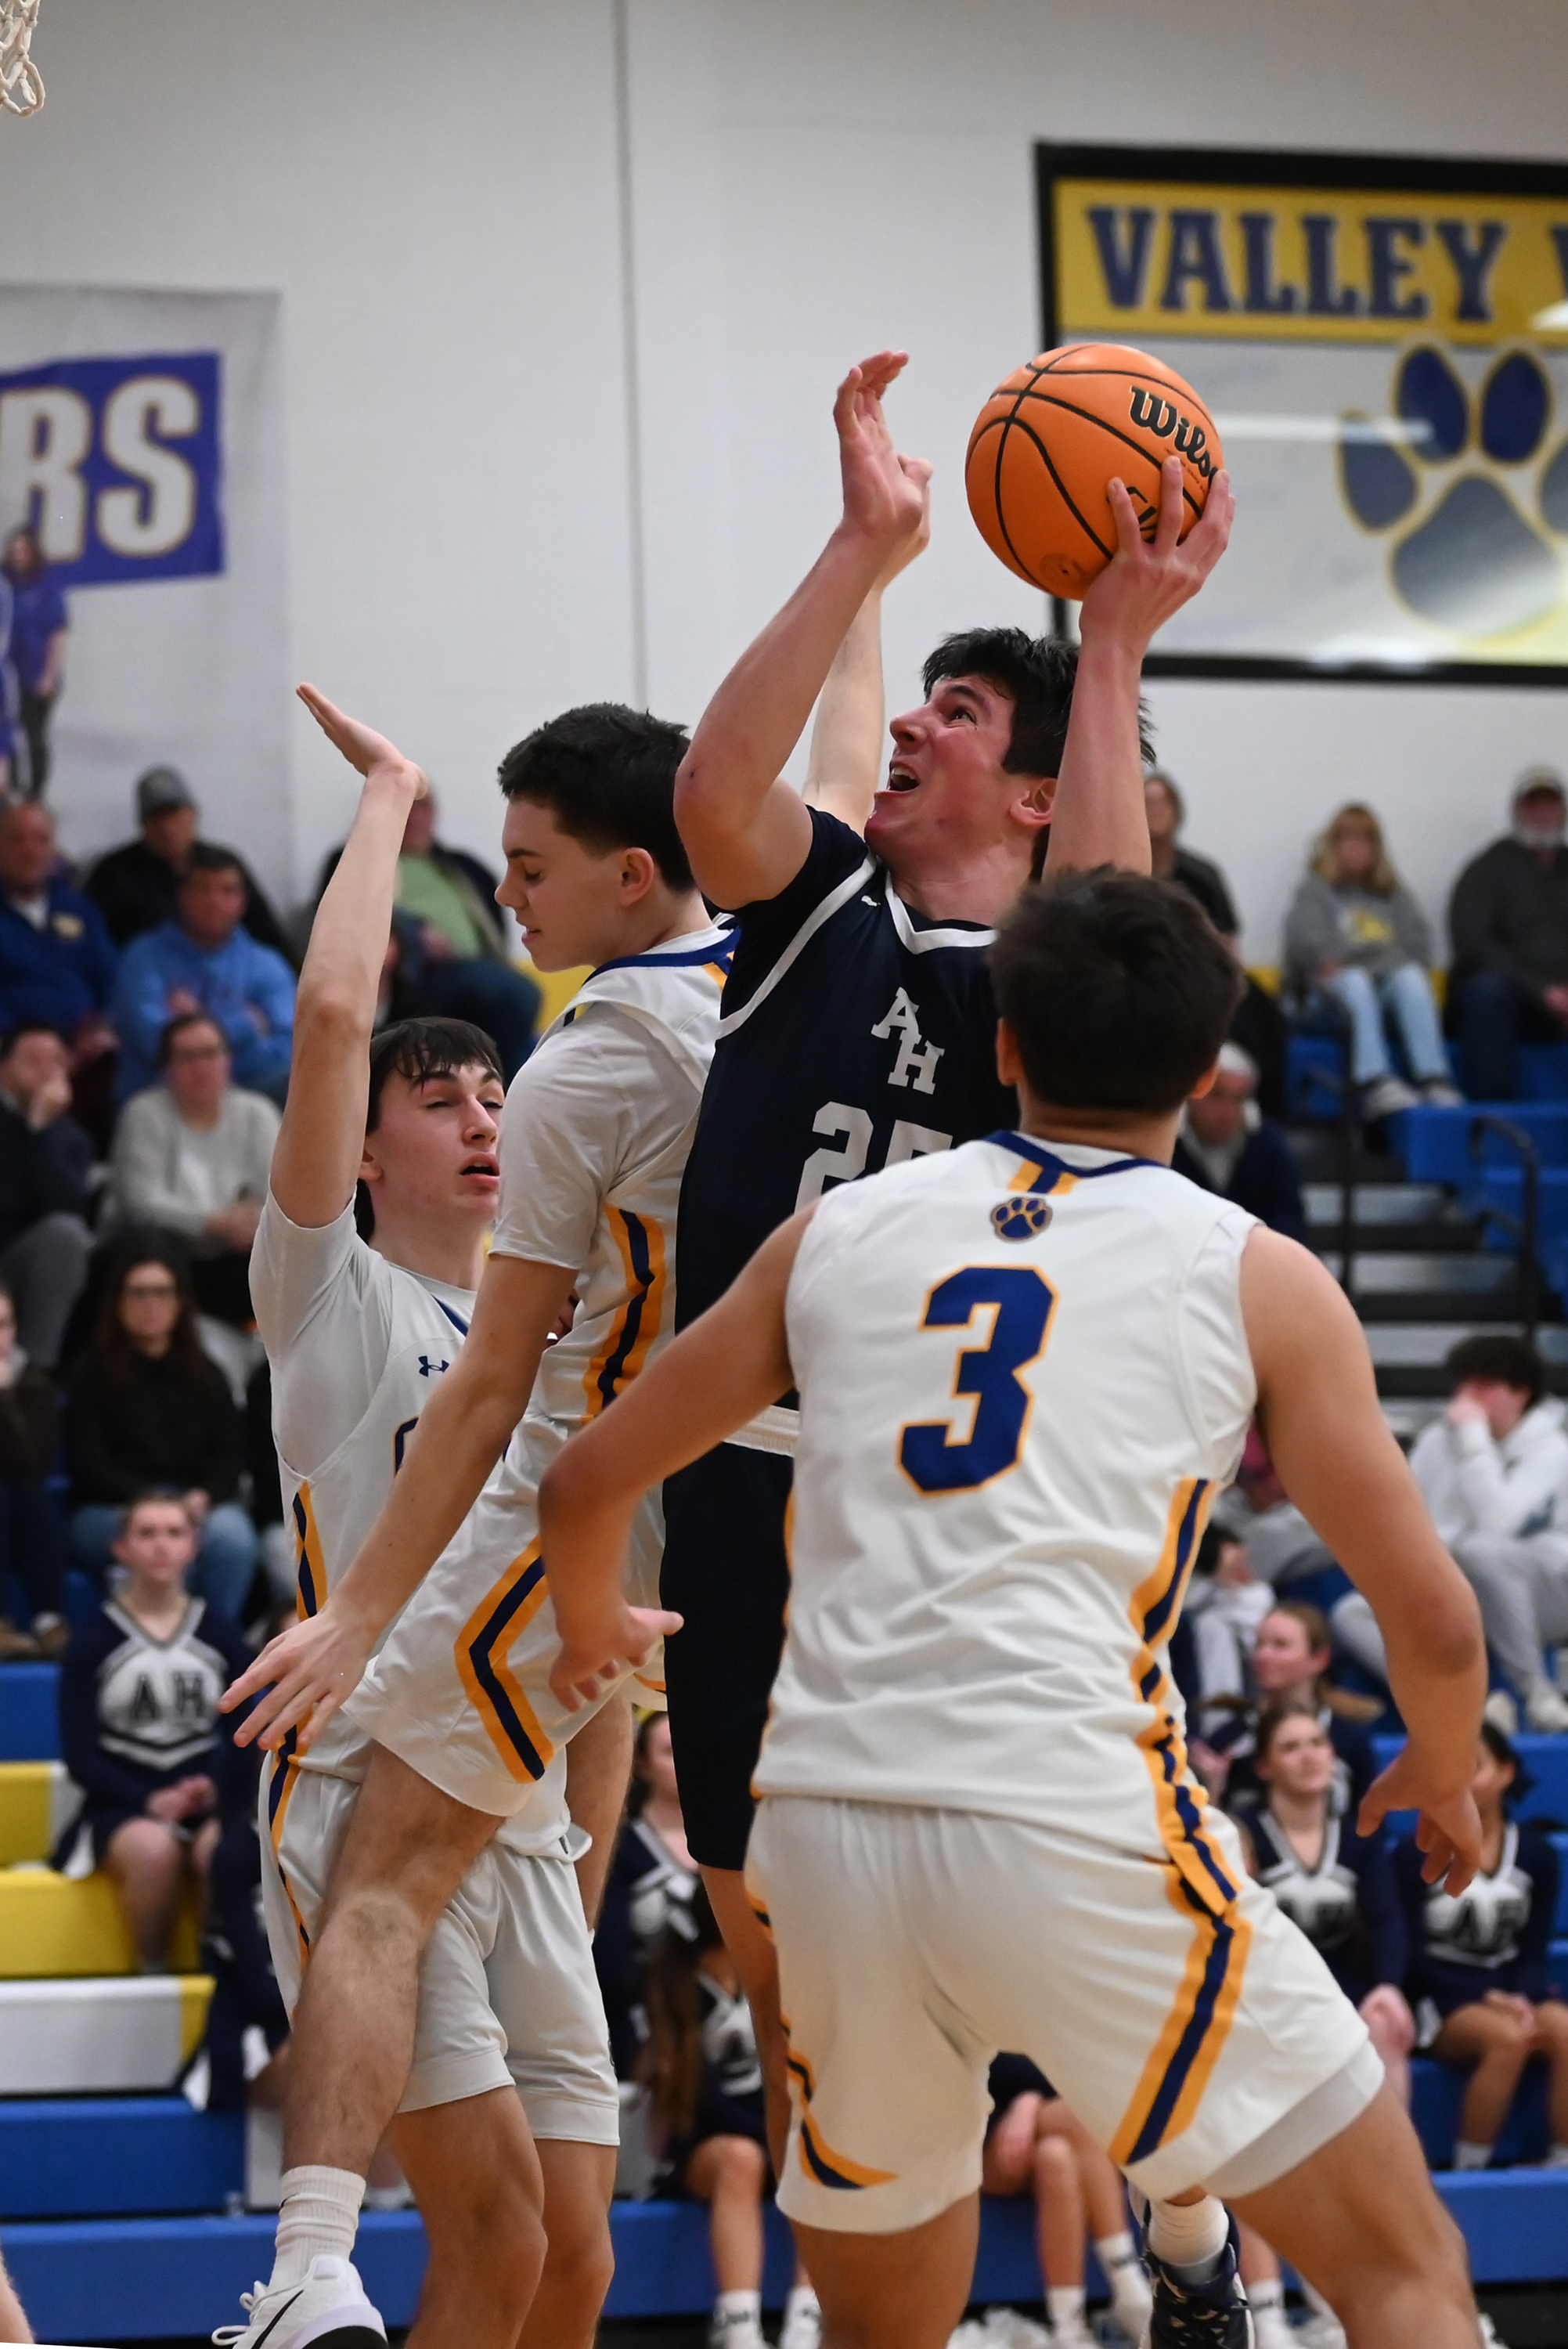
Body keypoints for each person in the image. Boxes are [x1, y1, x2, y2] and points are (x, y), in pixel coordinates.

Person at [538, 868, 1491, 2349]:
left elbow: (589, 1477)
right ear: (1204, 1065)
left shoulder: (841, 1232)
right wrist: (1438, 1765)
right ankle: (1186, 2236)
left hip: (829, 1829)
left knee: (879, 2329)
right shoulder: (1253, 1273)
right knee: (1405, 2276)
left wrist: (596, 1627)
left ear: (1001, 1044)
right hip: (1062, 1804)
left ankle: (1177, 2234)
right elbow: (1432, 1627)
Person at [655, 352, 1232, 2167]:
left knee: (1029, 1931)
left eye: (958, 709)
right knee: (798, 2000)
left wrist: (1117, 638)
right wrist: (861, 550)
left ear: (1045, 793)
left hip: (953, 1522)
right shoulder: (823, 904)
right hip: (746, 1494)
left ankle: (1172, 2192)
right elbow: (712, 787)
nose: (910, 723)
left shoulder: (1060, 996)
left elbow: (1120, 917)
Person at [213, 682, 725, 2349]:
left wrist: (574, 1848)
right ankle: (295, 2278)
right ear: (359, 1161)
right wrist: (389, 803)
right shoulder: (331, 1299)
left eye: (494, 1094)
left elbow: (589, 1613)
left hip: (520, 1793)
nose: (483, 1116)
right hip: (367, 1768)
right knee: (489, 2229)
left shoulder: (565, 1325)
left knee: (570, 2252)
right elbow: (333, 1022)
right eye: (437, 1104)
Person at [55, 1492, 251, 1970]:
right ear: (121, 1548)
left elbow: (247, 1729)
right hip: (121, 1803)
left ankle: (220, 1973)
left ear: (195, 1545)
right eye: (146, 1534)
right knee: (155, 1850)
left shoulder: (220, 1632)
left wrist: (215, 1786)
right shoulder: (92, 1639)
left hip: (207, 1798)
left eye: (174, 1533)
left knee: (219, 1850)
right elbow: (80, 1754)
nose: (161, 1546)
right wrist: (148, 1801)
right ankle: (153, 1974)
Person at [642, 1886, 807, 2349]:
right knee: (743, 2157)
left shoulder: (786, 1986)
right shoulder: (681, 1990)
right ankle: (738, 2326)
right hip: (702, 2150)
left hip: (775, 2143)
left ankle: (808, 2320)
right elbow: (697, 2107)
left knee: (814, 2148)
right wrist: (774, 2134)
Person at [1399, 1722, 1568, 2170]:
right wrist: (1486, 1998)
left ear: (1507, 1773)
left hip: (1512, 1987)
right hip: (1440, 1999)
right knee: (1508, 2039)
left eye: (1472, 1767)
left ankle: (1560, 2164)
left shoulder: (1538, 1855)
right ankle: (1471, 2167)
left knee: (1564, 2030)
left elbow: (1533, 1949)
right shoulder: (1414, 1855)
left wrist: (1517, 1994)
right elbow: (1409, 1955)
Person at [62, 1239, 260, 1621]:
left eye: (162, 1292)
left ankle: (213, 1641)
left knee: (232, 1540)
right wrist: (153, 1504)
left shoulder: (207, 1373)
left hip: (196, 1503)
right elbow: (88, 1463)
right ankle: (136, 1635)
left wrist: (202, 1497)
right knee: (148, 1536)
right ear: (117, 1302)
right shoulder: (88, 1376)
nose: (150, 1303)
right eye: (138, 1293)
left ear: (180, 1302)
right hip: (113, 1504)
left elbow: (231, 1454)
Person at [1238, 1701, 1415, 2108]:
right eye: (1291, 1747)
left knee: (1385, 2022)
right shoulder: (1243, 1834)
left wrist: (1388, 1985)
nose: (1308, 1756)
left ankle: (1389, 2166)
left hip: (1342, 1990)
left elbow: (1387, 1921)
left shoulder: (1359, 1838)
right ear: (1264, 1767)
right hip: (1267, 1993)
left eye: (1317, 1743)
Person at [319, 785, 542, 1079]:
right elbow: (345, 916)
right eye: (404, 807)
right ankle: (501, 1092)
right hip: (416, 977)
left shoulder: (461, 865)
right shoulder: (356, 861)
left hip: (478, 968)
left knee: (537, 1042)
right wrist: (414, 935)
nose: (413, 817)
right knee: (516, 995)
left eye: (421, 807)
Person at [1409, 1333, 1568, 1734]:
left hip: (1547, 1590)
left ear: (1520, 1393)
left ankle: (1537, 1693)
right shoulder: (1435, 1441)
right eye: (1463, 1384)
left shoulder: (1554, 1451)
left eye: (1483, 1386)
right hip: (1459, 1590)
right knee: (1354, 1613)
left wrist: (1474, 1442)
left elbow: (1498, 1526)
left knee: (1481, 1551)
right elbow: (1413, 1520)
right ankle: (1476, 1704)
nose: (1467, 1397)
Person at [957, 2058, 1152, 2349]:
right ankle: (1126, 2279)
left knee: (1055, 2156)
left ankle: (1068, 2328)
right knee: (1071, 2114)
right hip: (987, 2140)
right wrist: (1026, 2106)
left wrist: (1031, 2104)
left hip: (1057, 2137)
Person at [1285, 803, 1458, 1121]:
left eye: (1365, 839)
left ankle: (1434, 1078)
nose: (1356, 847)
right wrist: (1381, 957)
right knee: (1355, 982)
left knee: (1410, 978)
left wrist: (1355, 958)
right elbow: (1311, 952)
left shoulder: (1395, 896)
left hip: (1385, 998)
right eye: (1347, 838)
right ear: (1332, 846)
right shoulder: (1314, 892)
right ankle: (1373, 1081)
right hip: (1325, 1004)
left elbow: (1419, 950)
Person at [108, 1011, 281, 1328]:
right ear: (167, 1067)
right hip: (169, 1253)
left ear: (228, 1061)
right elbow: (140, 1203)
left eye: (211, 1054)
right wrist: (213, 1222)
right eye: (186, 1057)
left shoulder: (258, 1113)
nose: (201, 1067)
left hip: (238, 1254)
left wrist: (250, 1221)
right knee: (150, 1242)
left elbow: (280, 1192)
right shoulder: (144, 1113)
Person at [1144, 770, 1289, 1120]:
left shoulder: (1201, 874)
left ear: (1178, 812)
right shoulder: (1121, 870)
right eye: (1147, 802)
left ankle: (1263, 1109)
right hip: (1142, 976)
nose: (1156, 811)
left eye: (1163, 802)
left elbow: (1227, 942)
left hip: (1199, 974)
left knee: (1263, 1012)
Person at [111, 845, 295, 1105]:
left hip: (254, 1093)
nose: (214, 901)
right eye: (203, 888)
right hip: (162, 1098)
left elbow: (289, 1050)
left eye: (227, 891)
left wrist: (192, 1023)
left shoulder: (267, 964)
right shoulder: (143, 959)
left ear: (243, 901)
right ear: (182, 895)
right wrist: (246, 1025)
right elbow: (156, 1046)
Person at [1196, 1601, 1382, 1821]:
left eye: (1280, 1645)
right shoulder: (1229, 1740)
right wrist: (1211, 1788)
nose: (1263, 1655)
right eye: (1259, 1644)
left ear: (1319, 1659)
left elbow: (1371, 1825)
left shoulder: (1349, 1740)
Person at [1448, 770, 1568, 1101]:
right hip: (1514, 1002)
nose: (1542, 814)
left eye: (1550, 805)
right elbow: (1473, 945)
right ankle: (1495, 1114)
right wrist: (1542, 992)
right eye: (1533, 804)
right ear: (1517, 810)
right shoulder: (1487, 869)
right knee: (1486, 992)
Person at [86, 767, 292, 957]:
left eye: (174, 814)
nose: (168, 828)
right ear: (143, 824)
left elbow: (267, 934)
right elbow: (93, 945)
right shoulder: (114, 874)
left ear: (193, 815)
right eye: (157, 818)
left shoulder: (224, 866)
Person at [597, 1712, 701, 2078]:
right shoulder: (621, 1846)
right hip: (648, 2030)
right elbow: (610, 1963)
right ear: (641, 1764)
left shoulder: (734, 1842)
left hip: (727, 2020)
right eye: (670, 1752)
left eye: (692, 1748)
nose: (686, 1761)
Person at [0, 1022, 94, 1367]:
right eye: (33, 1060)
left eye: (56, 1060)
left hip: (25, 1261)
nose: (47, 1071)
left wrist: (40, 1132)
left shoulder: (69, 1138)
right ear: (4, 1068)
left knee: (66, 1236)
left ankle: (36, 1373)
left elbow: (68, 1206)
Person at [0, 799, 118, 1061]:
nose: (30, 850)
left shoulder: (77, 908)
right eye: (17, 840)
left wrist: (101, 1024)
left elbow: (110, 977)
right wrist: (28, 1043)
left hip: (88, 1052)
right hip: (14, 1056)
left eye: (41, 840)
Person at [1173, 1042, 1305, 1242]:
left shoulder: (1267, 1145)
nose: (1227, 1111)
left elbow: (1289, 1221)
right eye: (1218, 1095)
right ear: (1194, 1091)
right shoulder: (1167, 1143)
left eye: (1239, 1099)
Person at [0, 1279, 69, 1660]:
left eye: (3, 1325)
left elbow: (33, 1460)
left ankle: (48, 1620)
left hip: (23, 1492)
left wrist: (6, 1398)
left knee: (33, 1496)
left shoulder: (33, 1384)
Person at [2, 527, 68, 798]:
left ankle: (36, 792)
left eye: (23, 550)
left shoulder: (46, 587)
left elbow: (58, 634)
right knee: (9, 733)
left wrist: (48, 677)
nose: (18, 556)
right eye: (13, 550)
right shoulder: (6, 585)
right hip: (9, 677)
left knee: (34, 734)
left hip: (38, 675)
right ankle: (12, 786)